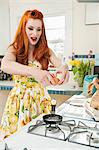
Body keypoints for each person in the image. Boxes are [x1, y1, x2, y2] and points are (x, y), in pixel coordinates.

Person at [0, 9, 69, 140]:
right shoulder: (14, 48)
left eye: (39, 29)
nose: (35, 33)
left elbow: (61, 65)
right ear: (23, 28)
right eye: (30, 28)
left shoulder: (46, 51)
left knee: (40, 140)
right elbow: (5, 64)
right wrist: (35, 72)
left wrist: (64, 68)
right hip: (19, 104)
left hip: (40, 102)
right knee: (17, 141)